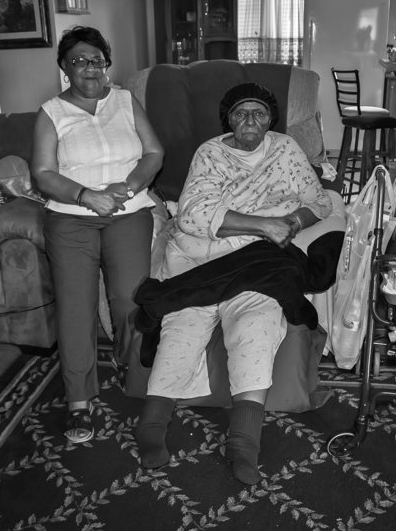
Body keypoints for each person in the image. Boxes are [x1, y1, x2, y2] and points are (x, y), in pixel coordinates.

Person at [134, 83, 332, 484]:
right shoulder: (210, 152)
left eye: (259, 113)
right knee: (182, 327)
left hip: (258, 262)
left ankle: (243, 443)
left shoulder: (285, 150)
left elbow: (320, 200)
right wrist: (265, 224)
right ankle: (151, 428)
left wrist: (292, 223)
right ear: (228, 118)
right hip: (201, 256)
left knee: (254, 330)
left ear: (271, 119)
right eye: (240, 113)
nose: (249, 122)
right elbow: (191, 215)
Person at [31, 26, 164, 444]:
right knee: (76, 307)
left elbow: (154, 152)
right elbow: (42, 173)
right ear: (64, 68)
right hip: (70, 217)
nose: (90, 68)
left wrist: (124, 189)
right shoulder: (51, 112)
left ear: (107, 63)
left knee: (130, 299)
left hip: (128, 212)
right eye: (79, 60)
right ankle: (78, 401)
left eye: (97, 59)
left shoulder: (125, 100)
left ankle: (134, 373)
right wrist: (86, 195)